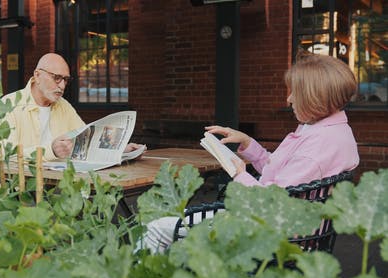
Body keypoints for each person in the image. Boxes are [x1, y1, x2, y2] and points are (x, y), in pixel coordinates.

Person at [139, 51, 360, 254]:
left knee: (156, 229)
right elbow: (286, 177)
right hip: (294, 229)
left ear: (316, 98)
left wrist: (239, 174)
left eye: (295, 93)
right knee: (174, 232)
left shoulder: (315, 147)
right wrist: (248, 144)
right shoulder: (331, 132)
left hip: (274, 235)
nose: (289, 99)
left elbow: (269, 203)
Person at [0, 53, 143, 160]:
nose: (62, 85)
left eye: (65, 80)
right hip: (19, 192)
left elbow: (86, 140)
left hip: (58, 187)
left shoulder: (63, 105)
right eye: (57, 78)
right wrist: (51, 150)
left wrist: (121, 149)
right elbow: (5, 156)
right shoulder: (10, 104)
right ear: (37, 75)